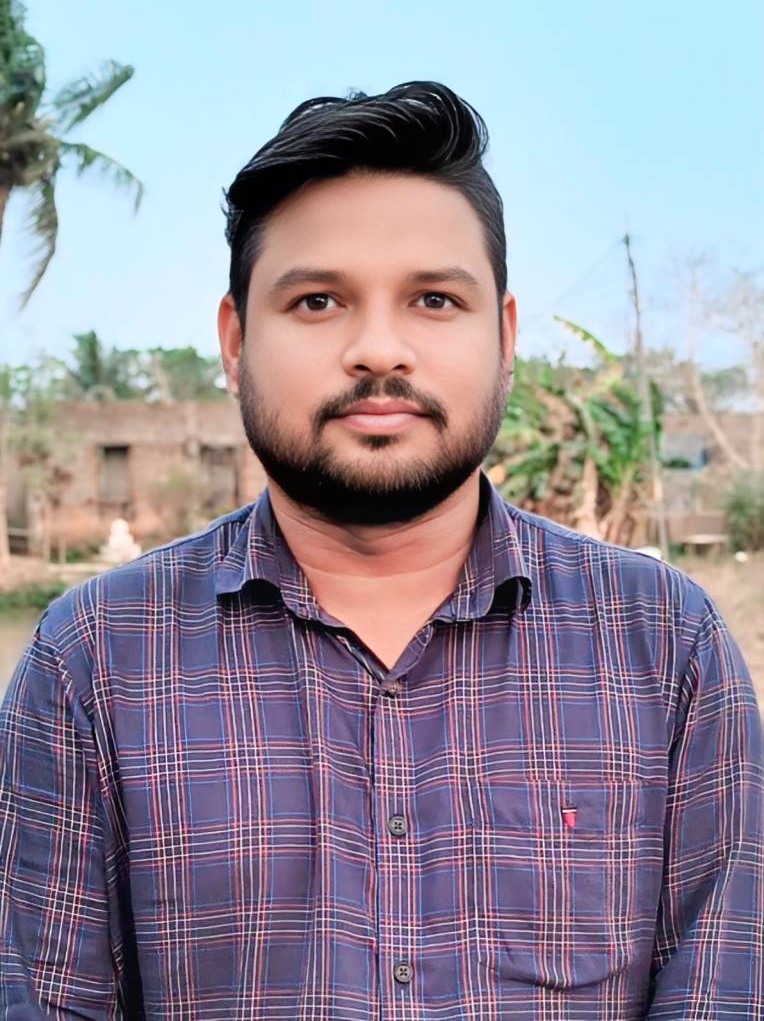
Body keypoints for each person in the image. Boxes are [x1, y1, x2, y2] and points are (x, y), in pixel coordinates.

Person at [1, 81, 761, 1021]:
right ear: (235, 342)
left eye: (434, 299)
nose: (378, 350)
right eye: (318, 300)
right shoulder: (95, 662)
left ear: (504, 337)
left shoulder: (664, 644)